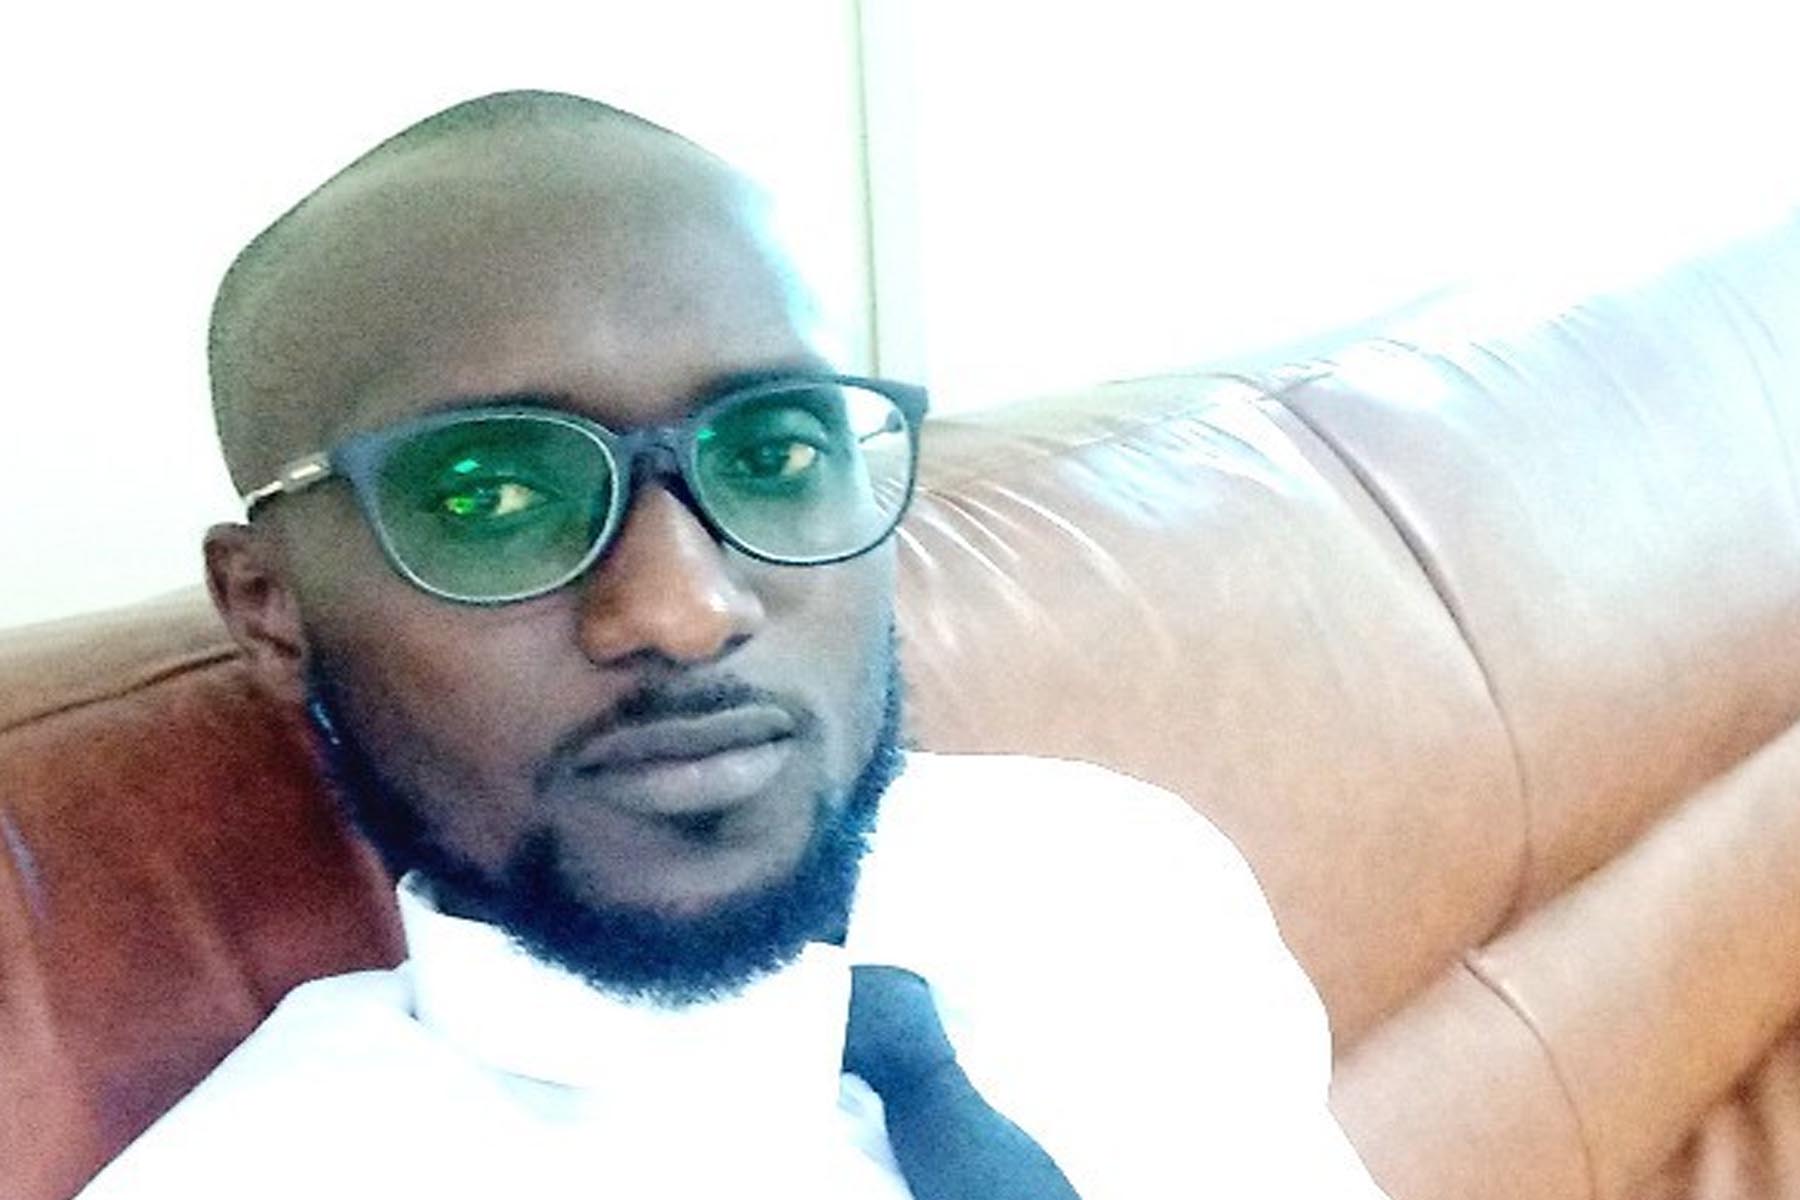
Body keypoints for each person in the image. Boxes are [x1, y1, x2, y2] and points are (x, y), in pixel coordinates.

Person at [76, 90, 1386, 1198]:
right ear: (270, 608)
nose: (685, 610)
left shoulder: (1113, 872)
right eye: (490, 496)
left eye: (772, 453)